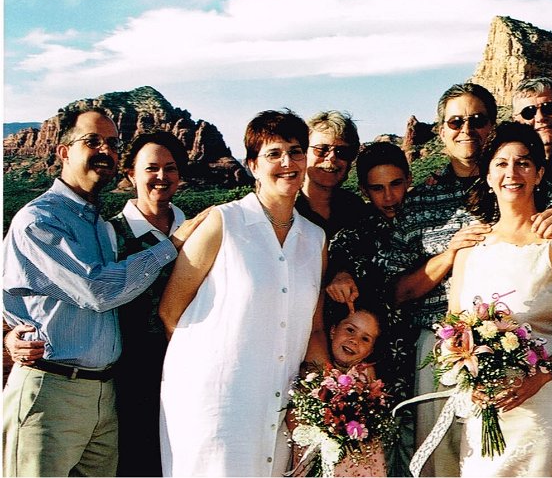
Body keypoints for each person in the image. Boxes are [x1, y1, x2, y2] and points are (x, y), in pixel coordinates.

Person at [378, 83, 552, 477]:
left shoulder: (534, 186)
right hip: (441, 350)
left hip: (528, 349)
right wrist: (449, 256)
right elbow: (395, 292)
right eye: (455, 121)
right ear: (441, 130)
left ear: (491, 125)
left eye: (477, 119)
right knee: (445, 462)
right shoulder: (420, 199)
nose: (466, 129)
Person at [2, 109, 204, 477]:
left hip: (106, 392)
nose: (105, 150)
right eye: (92, 141)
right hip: (56, 388)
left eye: (111, 143)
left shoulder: (94, 222)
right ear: (63, 152)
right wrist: (171, 246)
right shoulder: (41, 219)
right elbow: (97, 290)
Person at [158, 109, 330, 477]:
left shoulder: (315, 239)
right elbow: (171, 311)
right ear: (252, 165)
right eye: (274, 154)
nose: (287, 163)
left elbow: (314, 329)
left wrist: (321, 392)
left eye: (296, 152)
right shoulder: (223, 222)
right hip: (218, 402)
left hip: (281, 404)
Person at [448, 122, 552, 476]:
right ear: (487, 176)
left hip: (545, 403)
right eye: (501, 164)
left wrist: (542, 375)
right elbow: (454, 327)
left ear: (539, 174)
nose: (512, 173)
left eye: (523, 163)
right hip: (486, 403)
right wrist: (467, 380)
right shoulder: (470, 248)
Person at [325, 141, 417, 476]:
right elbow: (333, 271)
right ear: (364, 191)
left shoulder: (429, 226)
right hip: (366, 380)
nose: (389, 197)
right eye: (377, 188)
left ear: (409, 180)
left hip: (421, 366)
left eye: (396, 184)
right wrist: (338, 273)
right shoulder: (352, 237)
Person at [110, 131, 190, 477]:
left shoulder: (198, 231)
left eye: (170, 168)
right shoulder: (110, 234)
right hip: (131, 376)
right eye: (151, 168)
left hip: (189, 369)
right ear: (130, 173)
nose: (161, 176)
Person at [290, 301, 389, 478]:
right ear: (333, 330)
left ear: (369, 351)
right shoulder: (313, 369)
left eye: (365, 339)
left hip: (358, 462)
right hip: (317, 453)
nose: (354, 340)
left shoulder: (366, 374)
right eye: (350, 330)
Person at [298, 110, 366, 240]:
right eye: (322, 149)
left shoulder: (355, 207)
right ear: (303, 153)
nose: (332, 157)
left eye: (342, 152)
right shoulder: (287, 209)